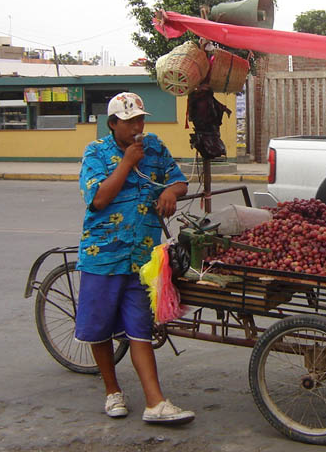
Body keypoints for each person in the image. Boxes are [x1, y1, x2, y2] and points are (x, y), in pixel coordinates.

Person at [75, 92, 194, 424]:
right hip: (103, 256)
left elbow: (179, 180)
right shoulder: (95, 153)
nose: (138, 127)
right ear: (113, 124)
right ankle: (113, 391)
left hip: (142, 258)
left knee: (139, 327)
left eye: (141, 120)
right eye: (130, 122)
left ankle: (155, 402)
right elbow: (98, 199)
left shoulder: (154, 148)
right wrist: (127, 162)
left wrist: (170, 191)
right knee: (99, 328)